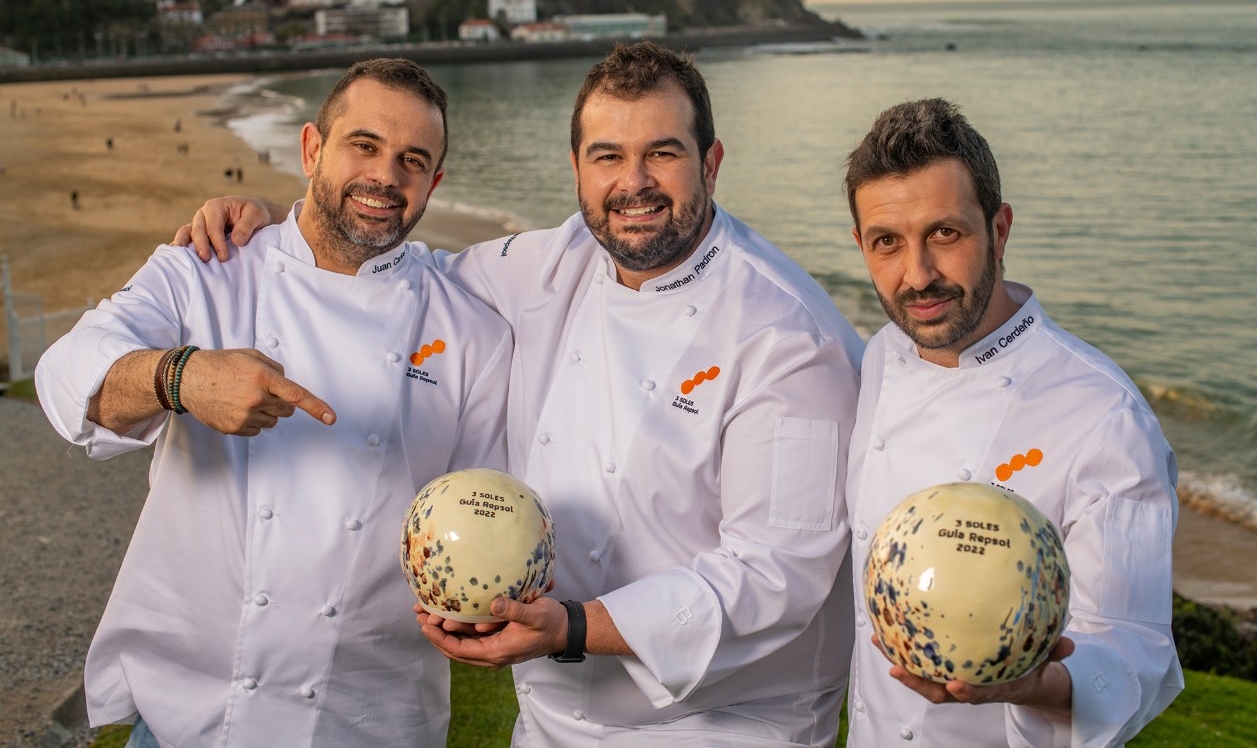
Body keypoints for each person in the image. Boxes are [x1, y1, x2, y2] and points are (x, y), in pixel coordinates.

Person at [178, 41, 865, 747]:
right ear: (575, 168)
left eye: (662, 153)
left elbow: (773, 575)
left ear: (710, 163)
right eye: (607, 156)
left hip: (720, 726)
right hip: (550, 721)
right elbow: (408, 275)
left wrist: (572, 627)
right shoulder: (548, 264)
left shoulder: (789, 336)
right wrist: (287, 227)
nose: (634, 183)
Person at [35, 58, 513, 747]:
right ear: (312, 148)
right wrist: (182, 377)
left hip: (367, 720)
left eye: (413, 160)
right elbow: (66, 376)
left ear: (433, 182)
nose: (385, 176)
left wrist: (481, 602)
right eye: (364, 145)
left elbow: (483, 513)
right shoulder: (208, 270)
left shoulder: (469, 330)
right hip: (186, 722)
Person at [841, 97, 1182, 746]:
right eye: (888, 242)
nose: (919, 275)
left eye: (946, 233)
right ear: (862, 245)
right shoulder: (882, 355)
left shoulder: (1102, 414)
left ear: (999, 228)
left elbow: (1136, 657)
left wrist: (1026, 682)